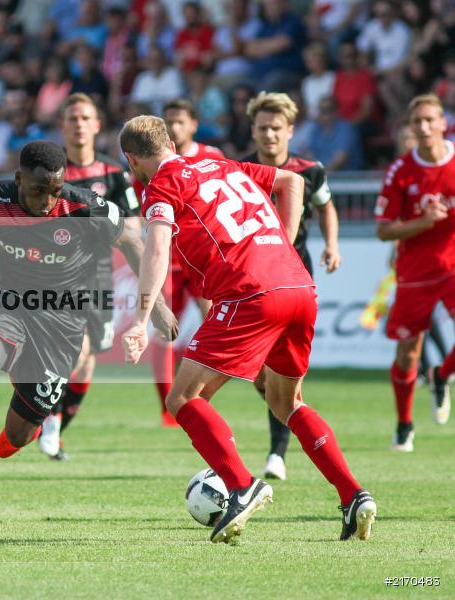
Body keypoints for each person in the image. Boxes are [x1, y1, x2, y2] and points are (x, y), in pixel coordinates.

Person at [0, 140, 175, 523]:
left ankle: (22, 431)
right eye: (39, 190)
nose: (48, 200)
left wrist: (155, 306)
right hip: (6, 304)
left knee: (19, 436)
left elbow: (133, 244)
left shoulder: (84, 205)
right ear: (19, 179)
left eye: (55, 190)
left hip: (63, 323)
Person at [120, 115, 375, 543]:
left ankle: (241, 483)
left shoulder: (161, 186)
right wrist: (283, 243)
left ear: (132, 160)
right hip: (297, 285)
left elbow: (157, 249)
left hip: (249, 294)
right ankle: (353, 495)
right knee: (286, 401)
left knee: (183, 397)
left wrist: (142, 318)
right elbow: (293, 183)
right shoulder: (224, 165)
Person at [35, 93, 142, 461]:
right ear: (63, 126)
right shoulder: (49, 173)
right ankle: (48, 421)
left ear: (97, 126)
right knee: (75, 348)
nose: (79, 124)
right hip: (55, 272)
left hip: (98, 273)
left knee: (90, 355)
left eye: (85, 118)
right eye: (72, 118)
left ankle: (55, 428)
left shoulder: (114, 175)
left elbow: (132, 224)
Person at [241, 91, 341, 480]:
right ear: (253, 130)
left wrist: (332, 244)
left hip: (295, 281)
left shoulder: (309, 170)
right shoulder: (239, 170)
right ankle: (294, 430)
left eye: (276, 128)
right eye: (262, 128)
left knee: (283, 373)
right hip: (250, 282)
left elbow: (326, 207)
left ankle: (277, 453)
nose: (269, 135)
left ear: (290, 130)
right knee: (261, 376)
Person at [376, 94, 455, 453]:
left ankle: (440, 374)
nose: (423, 127)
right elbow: (384, 229)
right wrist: (424, 222)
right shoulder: (401, 172)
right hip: (415, 271)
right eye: (416, 122)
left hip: (452, 265)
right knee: (408, 351)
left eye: (429, 120)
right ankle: (404, 423)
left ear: (442, 123)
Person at [147, 99, 223, 427]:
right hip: (169, 262)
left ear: (193, 124)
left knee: (215, 325)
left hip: (204, 262)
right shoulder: (154, 163)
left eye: (180, 121)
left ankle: (198, 396)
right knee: (164, 330)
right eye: (169, 122)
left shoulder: (214, 158)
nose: (174, 127)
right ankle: (168, 408)